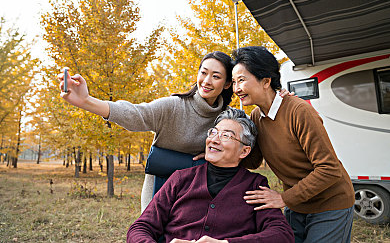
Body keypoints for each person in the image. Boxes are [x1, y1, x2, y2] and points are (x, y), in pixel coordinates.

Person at [58, 51, 234, 212]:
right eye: (203, 73)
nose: (207, 81)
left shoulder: (227, 119)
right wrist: (86, 101)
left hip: (200, 196)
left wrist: (219, 153)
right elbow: (134, 114)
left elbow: (246, 151)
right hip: (159, 191)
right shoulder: (173, 106)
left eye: (216, 76)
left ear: (227, 84)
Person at [231, 46, 355, 243]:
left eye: (242, 80)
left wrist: (283, 198)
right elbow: (253, 161)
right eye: (234, 82)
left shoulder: (299, 112)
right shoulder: (255, 116)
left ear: (265, 81)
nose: (236, 88)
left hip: (331, 202)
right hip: (298, 204)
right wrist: (225, 148)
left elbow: (329, 169)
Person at [127, 108, 294, 243]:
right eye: (213, 132)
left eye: (226, 135)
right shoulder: (180, 179)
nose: (214, 139)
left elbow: (282, 235)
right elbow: (140, 228)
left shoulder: (255, 185)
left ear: (244, 151)